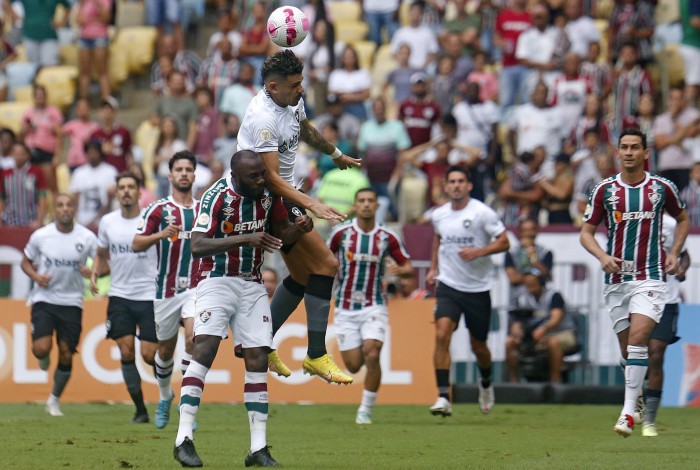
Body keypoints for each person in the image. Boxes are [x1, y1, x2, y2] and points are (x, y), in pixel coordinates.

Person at [173, 150, 313, 467]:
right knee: (204, 349)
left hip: (251, 282)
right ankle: (183, 439)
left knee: (258, 356)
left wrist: (299, 228)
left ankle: (258, 449)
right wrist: (244, 238)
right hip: (216, 278)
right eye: (254, 176)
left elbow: (277, 235)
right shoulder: (216, 196)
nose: (261, 180)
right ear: (236, 176)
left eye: (263, 174)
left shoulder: (267, 195)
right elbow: (197, 245)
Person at [236, 49, 361, 384]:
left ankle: (259, 341)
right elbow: (272, 178)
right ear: (273, 87)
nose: (301, 88)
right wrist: (313, 204)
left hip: (283, 196)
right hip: (266, 198)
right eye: (295, 84)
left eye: (301, 81)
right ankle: (316, 355)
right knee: (327, 266)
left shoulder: (290, 100)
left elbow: (304, 129)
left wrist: (334, 153)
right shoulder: (262, 117)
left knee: (306, 276)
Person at [580, 128, 689, 437]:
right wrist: (602, 256)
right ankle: (636, 399)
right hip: (616, 279)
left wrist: (676, 252)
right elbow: (586, 232)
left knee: (640, 338)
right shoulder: (604, 190)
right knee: (629, 351)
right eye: (623, 147)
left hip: (651, 276)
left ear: (645, 153)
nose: (628, 152)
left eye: (634, 147)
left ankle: (627, 413)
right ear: (618, 152)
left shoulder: (661, 188)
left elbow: (682, 219)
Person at [427, 165, 510, 417]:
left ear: (469, 185)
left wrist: (479, 252)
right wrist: (433, 268)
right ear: (446, 186)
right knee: (442, 334)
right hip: (448, 285)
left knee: (479, 347)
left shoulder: (482, 213)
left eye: (461, 181)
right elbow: (438, 239)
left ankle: (485, 383)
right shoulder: (439, 215)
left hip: (477, 288)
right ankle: (443, 396)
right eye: (452, 181)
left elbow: (504, 241)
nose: (456, 185)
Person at [328, 188, 413, 424]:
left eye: (370, 201)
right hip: (345, 306)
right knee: (354, 366)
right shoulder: (340, 234)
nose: (366, 205)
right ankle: (367, 367)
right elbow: (323, 259)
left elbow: (408, 267)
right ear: (355, 206)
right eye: (362, 201)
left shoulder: (387, 236)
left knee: (372, 352)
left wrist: (400, 270)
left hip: (374, 304)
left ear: (377, 206)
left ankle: (365, 409)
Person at [132, 151, 199, 429]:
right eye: (179, 169)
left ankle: (187, 404)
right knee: (165, 351)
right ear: (170, 176)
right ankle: (164, 396)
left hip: (197, 287)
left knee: (195, 340)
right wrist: (161, 234)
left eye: (188, 169)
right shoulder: (158, 210)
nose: (184, 173)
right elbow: (136, 243)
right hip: (165, 290)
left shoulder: (203, 209)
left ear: (194, 175)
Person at [19, 194, 96, 416]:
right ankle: (42, 358)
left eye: (69, 205)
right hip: (45, 299)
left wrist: (92, 272)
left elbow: (103, 264)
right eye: (60, 205)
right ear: (55, 209)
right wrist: (36, 276)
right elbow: (25, 262)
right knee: (41, 348)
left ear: (74, 209)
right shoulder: (41, 236)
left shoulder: (87, 237)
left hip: (72, 302)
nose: (64, 209)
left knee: (65, 353)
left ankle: (53, 400)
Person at [91, 172, 159, 423]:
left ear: (139, 191)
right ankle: (140, 410)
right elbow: (101, 253)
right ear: (117, 192)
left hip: (149, 295)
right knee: (126, 351)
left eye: (131, 187)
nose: (127, 191)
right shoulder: (107, 222)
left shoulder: (151, 219)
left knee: (150, 355)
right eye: (122, 187)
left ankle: (166, 395)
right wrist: (96, 271)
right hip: (119, 296)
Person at [640, 213, 690, 437]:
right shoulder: (635, 219)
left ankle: (649, 419)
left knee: (657, 354)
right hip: (638, 297)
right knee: (631, 354)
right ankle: (637, 398)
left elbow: (685, 255)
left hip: (667, 299)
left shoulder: (671, 224)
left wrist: (681, 269)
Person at [505, 270, 578, 383]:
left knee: (553, 342)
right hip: (534, 336)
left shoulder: (554, 296)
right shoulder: (522, 298)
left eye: (533, 282)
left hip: (561, 332)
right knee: (510, 342)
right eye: (527, 282)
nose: (530, 285)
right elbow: (517, 320)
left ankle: (555, 382)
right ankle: (513, 383)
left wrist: (544, 329)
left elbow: (556, 319)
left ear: (541, 282)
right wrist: (517, 330)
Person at [69, 140, 118, 231]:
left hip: (105, 222)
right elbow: (75, 199)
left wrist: (94, 221)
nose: (92, 155)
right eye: (90, 152)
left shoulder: (111, 171)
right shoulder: (78, 173)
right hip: (82, 222)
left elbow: (111, 199)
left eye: (95, 152)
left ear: (100, 153)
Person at [0, 142, 47, 228]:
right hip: (9, 221)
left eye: (22, 154)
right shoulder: (5, 174)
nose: (19, 157)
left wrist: (39, 220)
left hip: (31, 221)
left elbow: (42, 196)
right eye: (16, 154)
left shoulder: (36, 172)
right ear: (11, 155)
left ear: (28, 155)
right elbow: (2, 198)